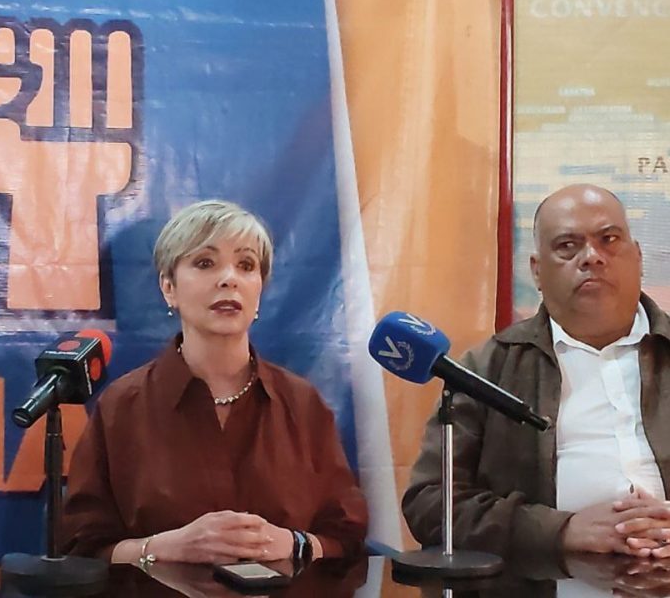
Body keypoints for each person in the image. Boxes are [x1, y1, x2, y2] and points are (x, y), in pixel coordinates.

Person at [61, 200, 368, 566]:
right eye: (205, 263)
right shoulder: (122, 406)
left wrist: (293, 544)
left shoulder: (302, 404)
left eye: (246, 265)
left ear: (260, 289)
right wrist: (163, 548)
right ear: (169, 288)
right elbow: (81, 547)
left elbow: (346, 536)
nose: (229, 279)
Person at [403, 184, 670, 567]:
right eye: (567, 246)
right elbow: (431, 503)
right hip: (547, 578)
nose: (592, 257)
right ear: (537, 271)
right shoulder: (488, 370)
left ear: (638, 256)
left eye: (609, 240)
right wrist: (560, 530)